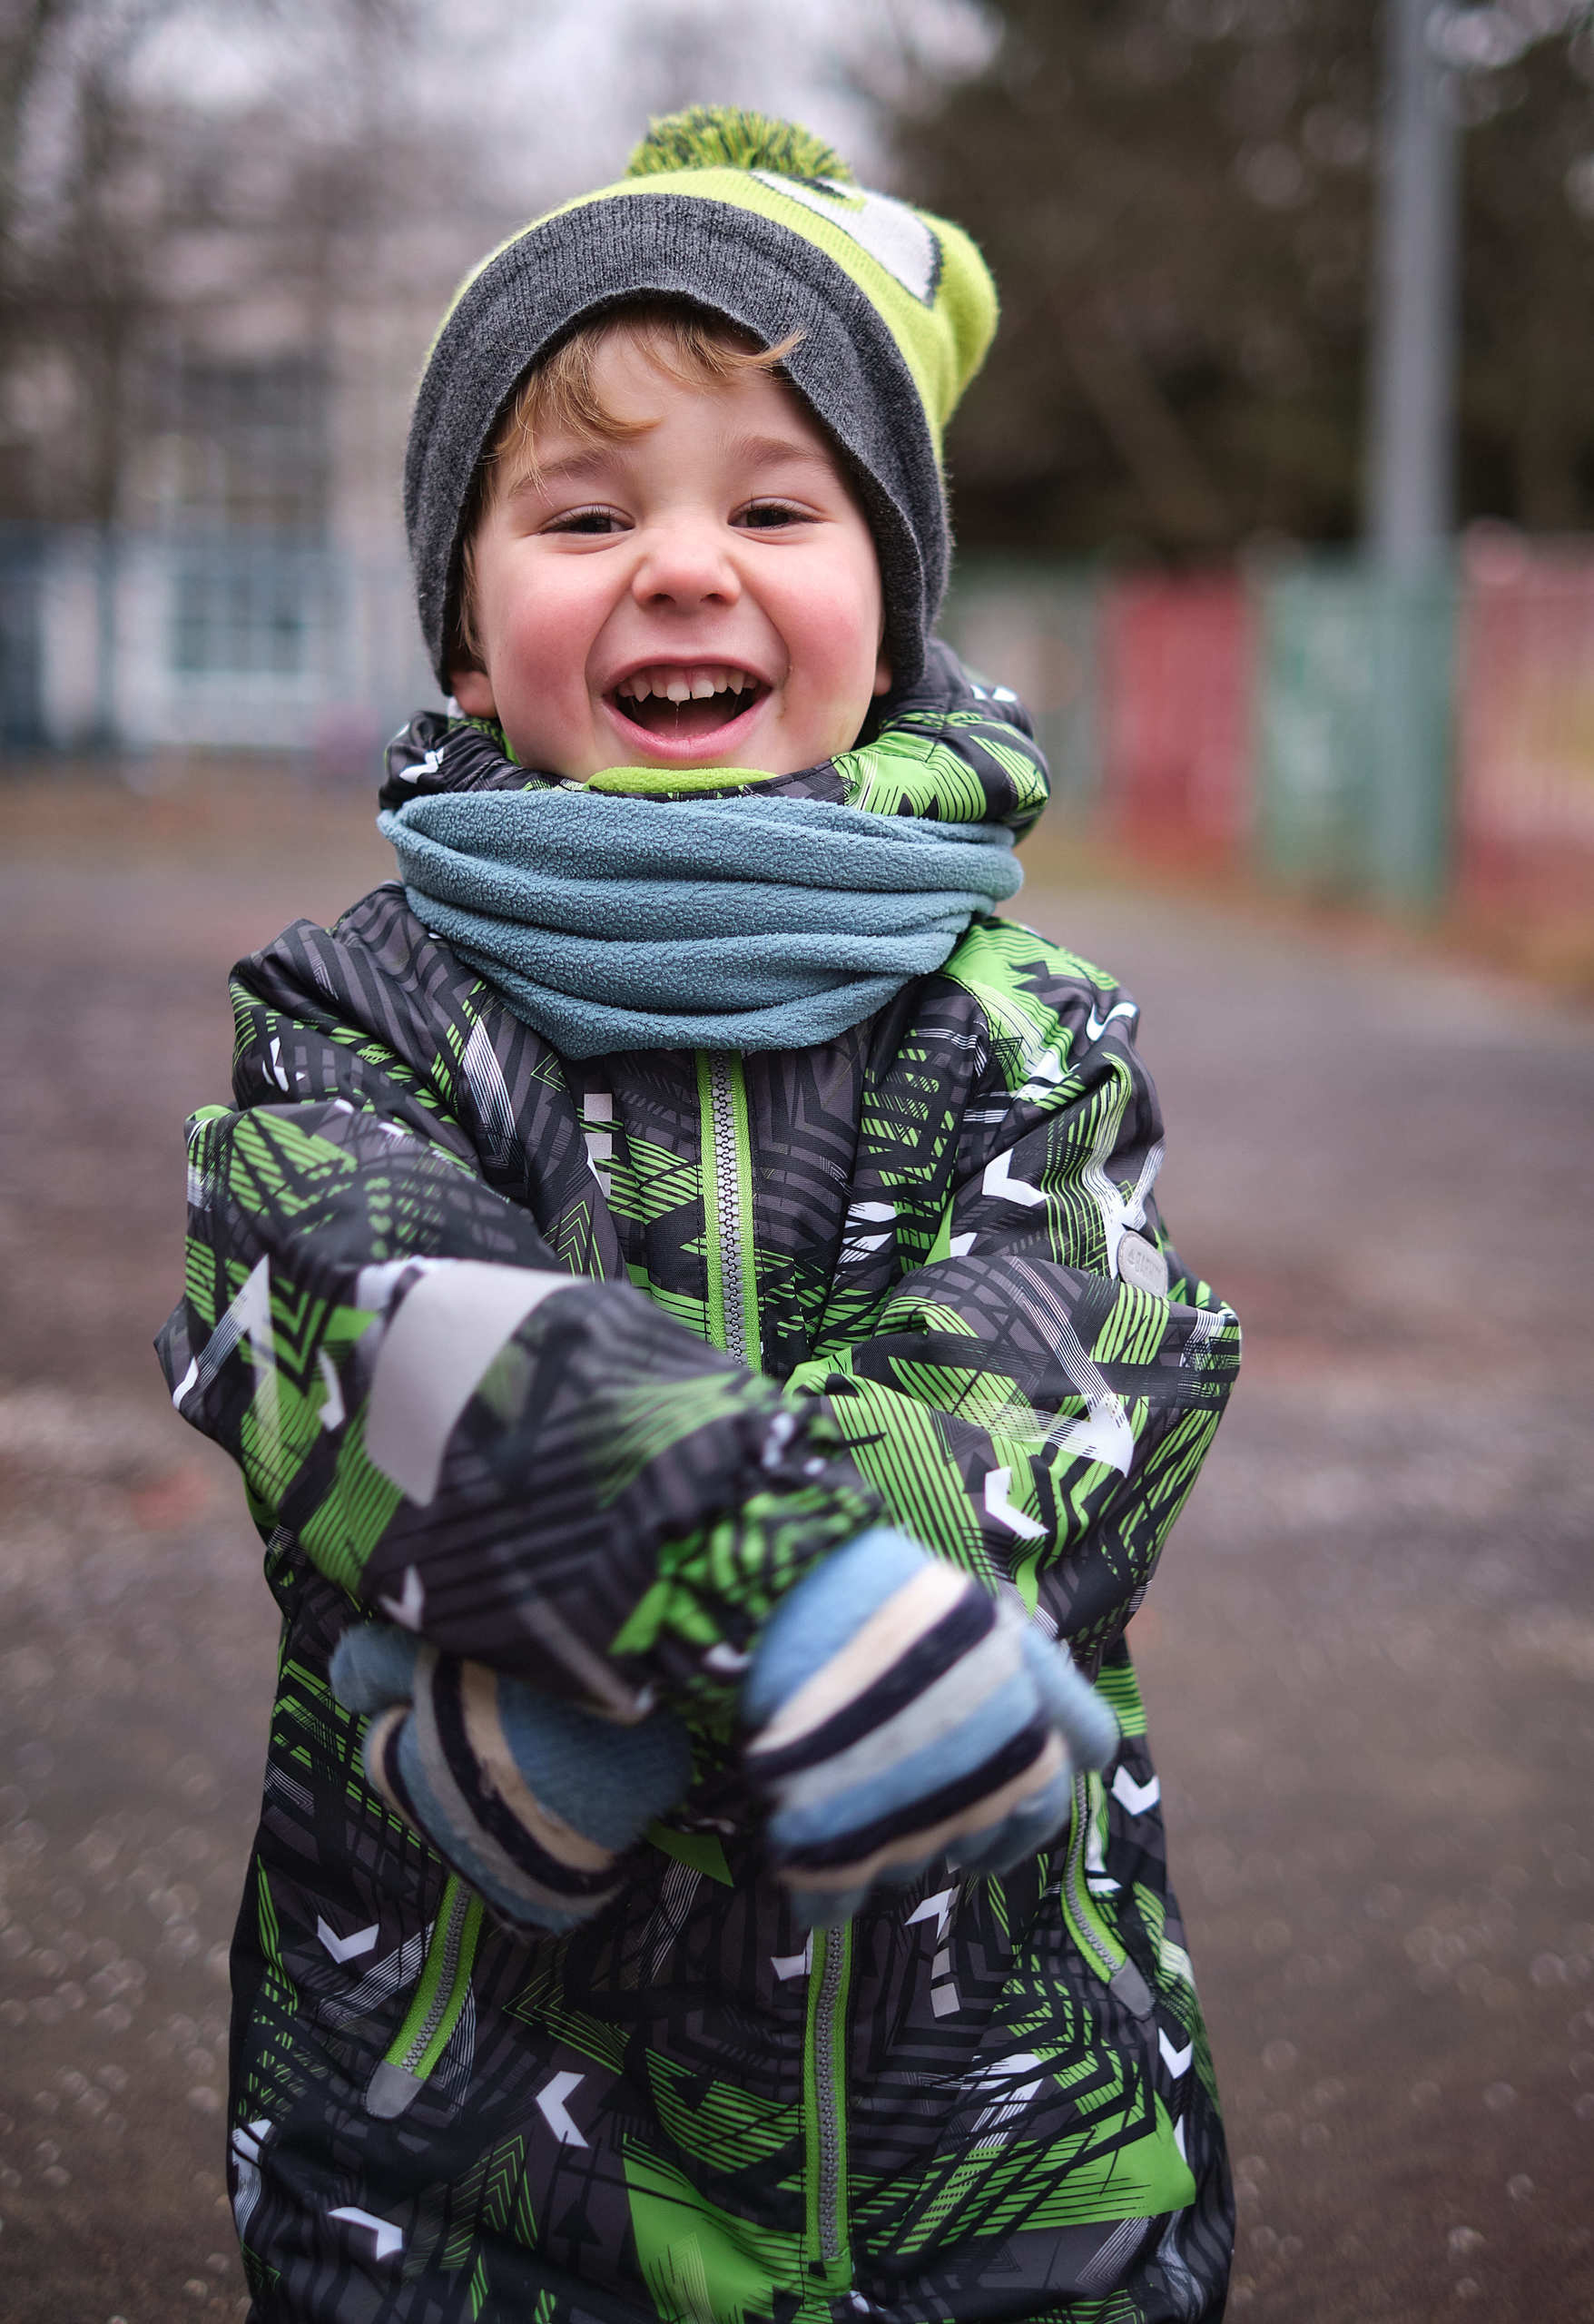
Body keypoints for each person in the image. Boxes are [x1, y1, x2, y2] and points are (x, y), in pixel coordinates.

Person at [159, 105, 1242, 2324]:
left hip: (994, 2127)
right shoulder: (353, 1012)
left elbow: (1080, 1367)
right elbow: (365, 1321)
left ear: (892, 606)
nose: (678, 563)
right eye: (581, 514)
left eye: (773, 505)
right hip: (471, 2152)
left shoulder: (1025, 1026)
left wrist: (608, 1708)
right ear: (467, 630)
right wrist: (775, 1588)